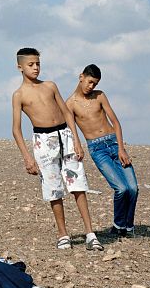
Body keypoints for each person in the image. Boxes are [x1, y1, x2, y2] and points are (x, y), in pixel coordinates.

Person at [11, 47, 100, 251]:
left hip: (65, 135)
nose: (35, 68)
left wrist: (76, 141)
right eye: (31, 64)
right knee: (54, 189)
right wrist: (27, 158)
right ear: (20, 67)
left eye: (38, 64)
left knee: (78, 184)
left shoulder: (50, 86)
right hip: (43, 140)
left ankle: (90, 233)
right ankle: (63, 234)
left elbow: (67, 113)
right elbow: (16, 129)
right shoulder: (19, 95)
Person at [67, 64, 138, 237]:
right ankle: (118, 224)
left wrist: (122, 149)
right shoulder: (69, 104)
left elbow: (116, 122)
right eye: (90, 82)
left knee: (133, 188)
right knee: (121, 188)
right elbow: (73, 131)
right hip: (97, 149)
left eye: (95, 84)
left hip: (114, 142)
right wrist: (78, 146)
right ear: (81, 77)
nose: (91, 86)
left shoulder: (100, 96)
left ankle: (127, 227)